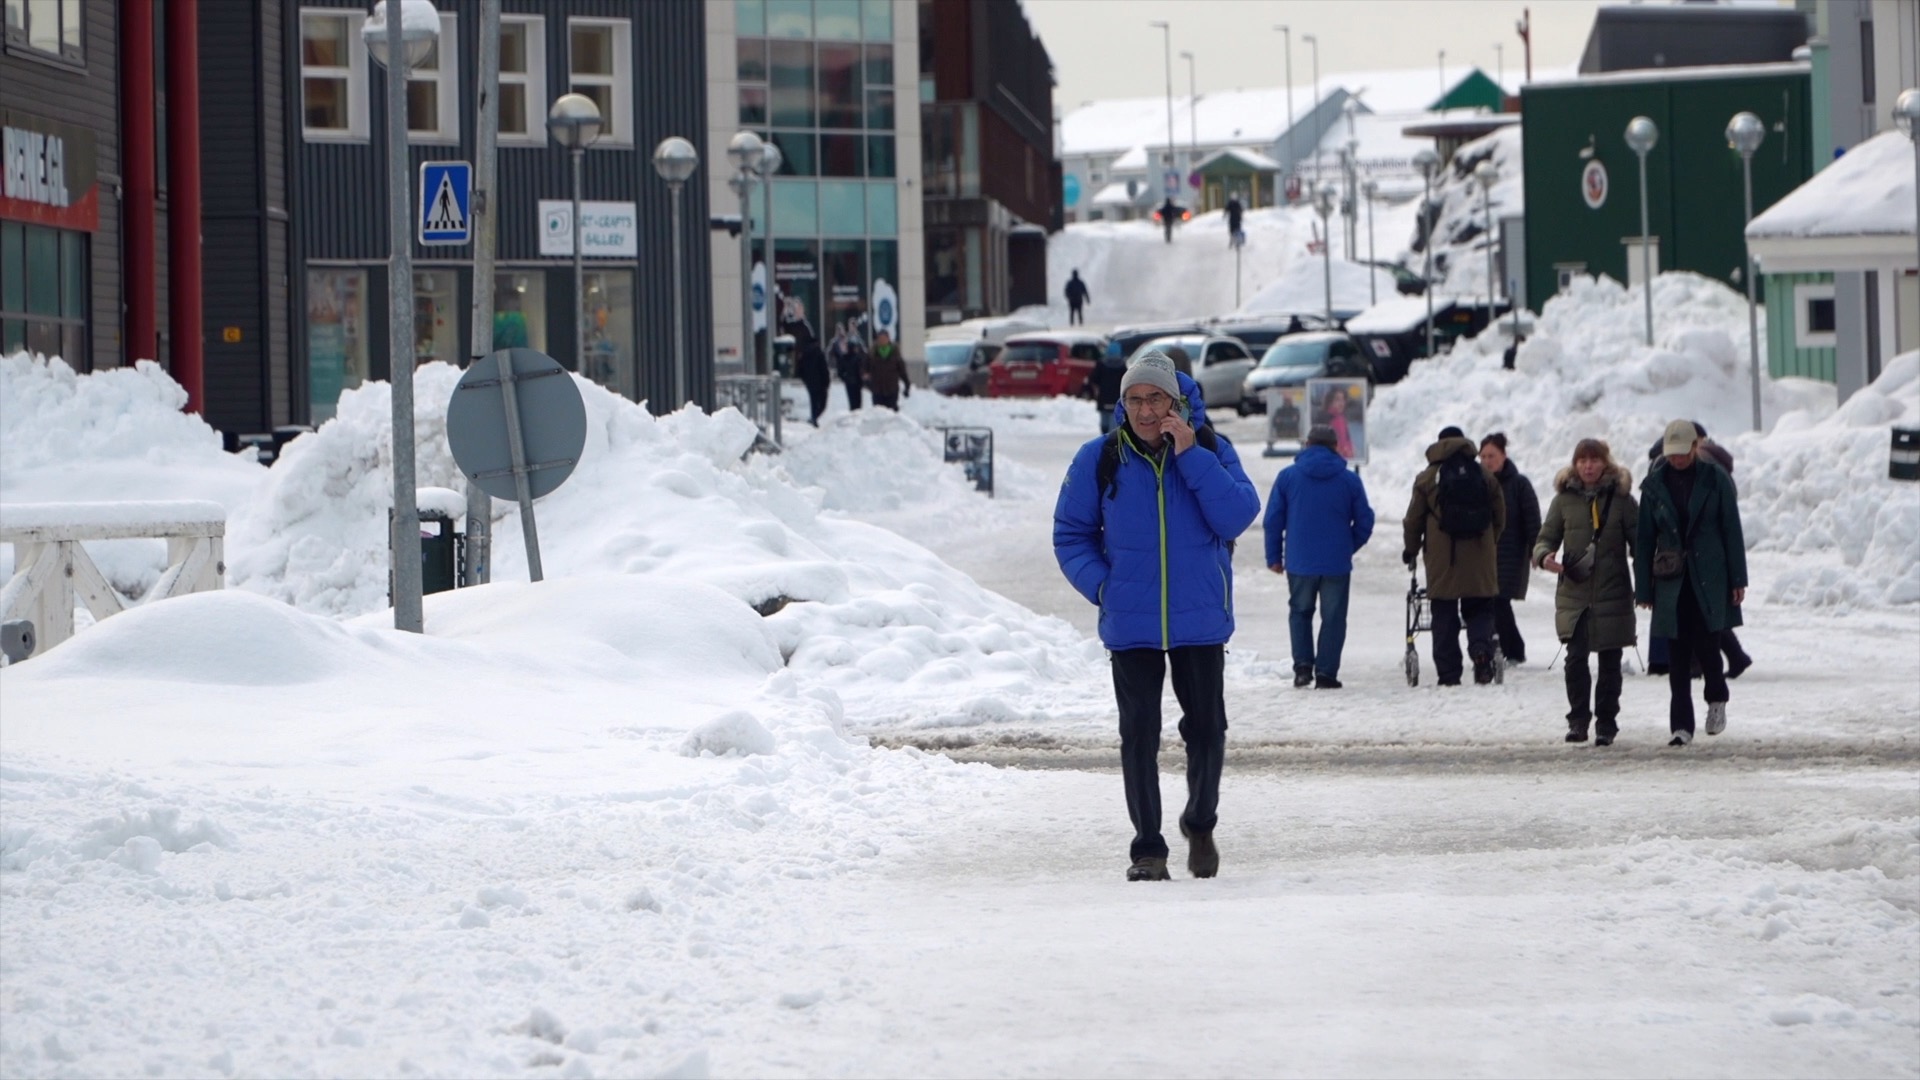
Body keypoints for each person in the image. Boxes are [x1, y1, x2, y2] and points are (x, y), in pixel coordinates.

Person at [1053, 352, 1260, 882]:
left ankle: (1201, 820)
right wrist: (1103, 585)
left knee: (1208, 729)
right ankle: (1147, 848)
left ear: (1176, 402)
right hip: (1132, 623)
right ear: (1122, 404)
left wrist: (1191, 456)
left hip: (1200, 619)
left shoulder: (1211, 447)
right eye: (1135, 399)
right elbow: (1071, 534)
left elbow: (1237, 514)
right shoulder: (1099, 458)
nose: (1145, 410)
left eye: (1155, 398)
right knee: (1139, 734)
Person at [1636, 419, 1748, 746]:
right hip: (1671, 580)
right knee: (1677, 656)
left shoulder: (1716, 480)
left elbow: (1731, 530)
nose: (1677, 459)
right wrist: (1643, 587)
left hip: (1709, 576)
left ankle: (1716, 699)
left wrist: (1737, 578)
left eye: (1683, 453)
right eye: (1671, 454)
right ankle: (1681, 727)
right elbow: (1644, 541)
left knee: (1709, 648)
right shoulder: (1654, 486)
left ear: (1695, 448)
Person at [1534, 438, 1638, 745]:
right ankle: (1578, 720)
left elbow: (1640, 542)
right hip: (1575, 593)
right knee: (1575, 658)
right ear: (1575, 464)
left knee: (1609, 661)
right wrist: (1545, 556)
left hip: (1613, 591)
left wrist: (1649, 580)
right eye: (1582, 461)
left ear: (1605, 463)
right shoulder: (1563, 500)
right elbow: (1546, 537)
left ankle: (1606, 723)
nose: (1588, 466)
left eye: (1594, 460)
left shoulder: (1622, 500)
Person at [1264, 424, 1375, 689]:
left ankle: (1303, 668)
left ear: (1307, 445)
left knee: (1300, 612)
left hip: (1300, 562)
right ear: (1334, 447)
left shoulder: (1288, 477)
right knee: (1334, 618)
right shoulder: (1349, 480)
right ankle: (1326, 673)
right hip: (1336, 563)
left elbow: (1273, 521)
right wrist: (1348, 546)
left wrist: (1274, 557)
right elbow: (1365, 521)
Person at [1403, 425, 1506, 685]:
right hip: (1480, 555)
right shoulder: (1483, 475)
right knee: (1480, 608)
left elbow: (1413, 520)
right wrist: (1489, 542)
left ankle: (1449, 674)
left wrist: (1411, 549)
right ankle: (1481, 652)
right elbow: (1500, 515)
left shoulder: (1427, 478)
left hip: (1442, 558)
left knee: (1444, 613)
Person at [1478, 433, 1542, 665]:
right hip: (1483, 555)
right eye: (1483, 456)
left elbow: (1532, 520)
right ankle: (1499, 647)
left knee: (1499, 601)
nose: (1487, 461)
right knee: (1488, 602)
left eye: (1492, 455)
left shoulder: (1519, 484)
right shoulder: (1477, 483)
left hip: (1510, 554)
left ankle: (1514, 649)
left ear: (1504, 456)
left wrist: (1537, 549)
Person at [783, 300, 831, 426]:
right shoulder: (801, 330)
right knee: (816, 398)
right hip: (812, 377)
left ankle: (813, 417)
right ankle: (813, 417)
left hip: (812, 376)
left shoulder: (804, 329)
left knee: (816, 397)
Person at [865, 329, 909, 411]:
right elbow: (865, 369)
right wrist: (868, 382)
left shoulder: (895, 352)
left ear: (888, 339)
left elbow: (902, 370)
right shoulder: (872, 353)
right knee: (879, 413)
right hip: (877, 389)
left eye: (884, 338)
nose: (882, 340)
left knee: (891, 413)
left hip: (891, 389)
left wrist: (907, 384)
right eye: (880, 338)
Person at [829, 324, 867, 411]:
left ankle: (855, 413)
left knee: (854, 401)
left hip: (852, 382)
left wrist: (845, 377)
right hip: (854, 382)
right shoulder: (852, 357)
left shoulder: (850, 356)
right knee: (856, 401)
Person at [1320, 386, 1356, 460]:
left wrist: (1350, 451)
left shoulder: (1342, 419)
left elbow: (1347, 439)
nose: (1341, 403)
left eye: (1343, 400)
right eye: (1337, 400)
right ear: (1330, 402)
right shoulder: (1326, 419)